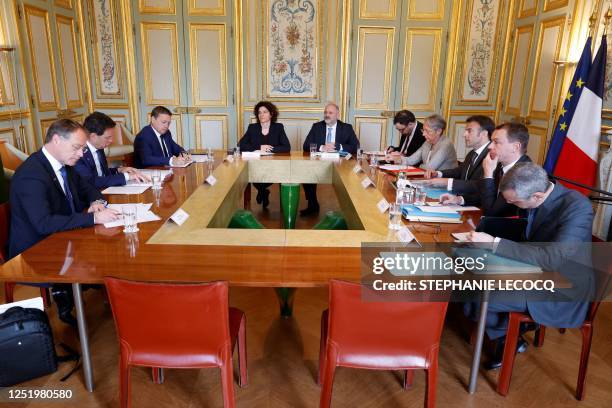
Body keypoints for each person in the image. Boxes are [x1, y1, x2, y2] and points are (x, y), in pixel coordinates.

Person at [465, 163, 594, 369]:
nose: (510, 204)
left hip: (561, 288)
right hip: (532, 270)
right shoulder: (528, 193)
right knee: (469, 285)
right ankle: (508, 334)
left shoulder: (578, 207)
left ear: (537, 196)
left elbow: (553, 258)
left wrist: (493, 244)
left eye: (513, 201)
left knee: (479, 296)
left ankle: (509, 338)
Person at [9, 119, 120, 325]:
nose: (80, 154)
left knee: (114, 246)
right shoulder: (32, 174)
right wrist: (93, 217)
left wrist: (96, 201)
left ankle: (95, 294)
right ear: (57, 140)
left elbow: (86, 187)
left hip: (62, 235)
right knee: (108, 250)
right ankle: (69, 295)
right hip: (37, 248)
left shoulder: (64, 164)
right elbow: (43, 223)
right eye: (77, 148)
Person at [440, 122, 531, 216]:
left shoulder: (524, 175)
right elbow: (485, 194)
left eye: (496, 142)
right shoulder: (500, 165)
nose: (490, 146)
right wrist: (459, 200)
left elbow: (491, 213)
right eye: (491, 141)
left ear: (515, 147)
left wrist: (488, 175)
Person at [300, 102, 359, 216]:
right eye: (325, 112)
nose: (327, 115)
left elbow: (356, 147)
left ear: (337, 114)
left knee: (348, 178)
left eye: (330, 113)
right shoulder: (317, 126)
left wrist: (339, 146)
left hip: (341, 163)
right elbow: (306, 145)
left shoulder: (346, 128)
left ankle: (349, 211)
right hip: (320, 162)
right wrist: (322, 147)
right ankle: (312, 204)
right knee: (306, 171)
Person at [423, 115, 494, 205]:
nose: (464, 134)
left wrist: (448, 182)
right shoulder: (472, 153)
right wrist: (438, 173)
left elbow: (480, 185)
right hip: (464, 201)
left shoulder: (492, 156)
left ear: (484, 134)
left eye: (469, 131)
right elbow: (460, 171)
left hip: (479, 207)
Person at [75, 112, 149, 189]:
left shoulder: (99, 148)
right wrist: (127, 176)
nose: (111, 141)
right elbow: (92, 181)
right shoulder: (79, 154)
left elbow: (103, 174)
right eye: (107, 138)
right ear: (93, 136)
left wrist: (120, 170)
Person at [239, 101, 290, 209]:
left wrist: (270, 149)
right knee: (254, 175)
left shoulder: (278, 127)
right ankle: (264, 192)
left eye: (265, 112)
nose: (261, 115)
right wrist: (259, 147)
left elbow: (286, 147)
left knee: (267, 176)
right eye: (259, 112)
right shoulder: (253, 127)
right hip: (256, 165)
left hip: (273, 164)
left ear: (271, 114)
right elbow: (241, 145)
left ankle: (262, 192)